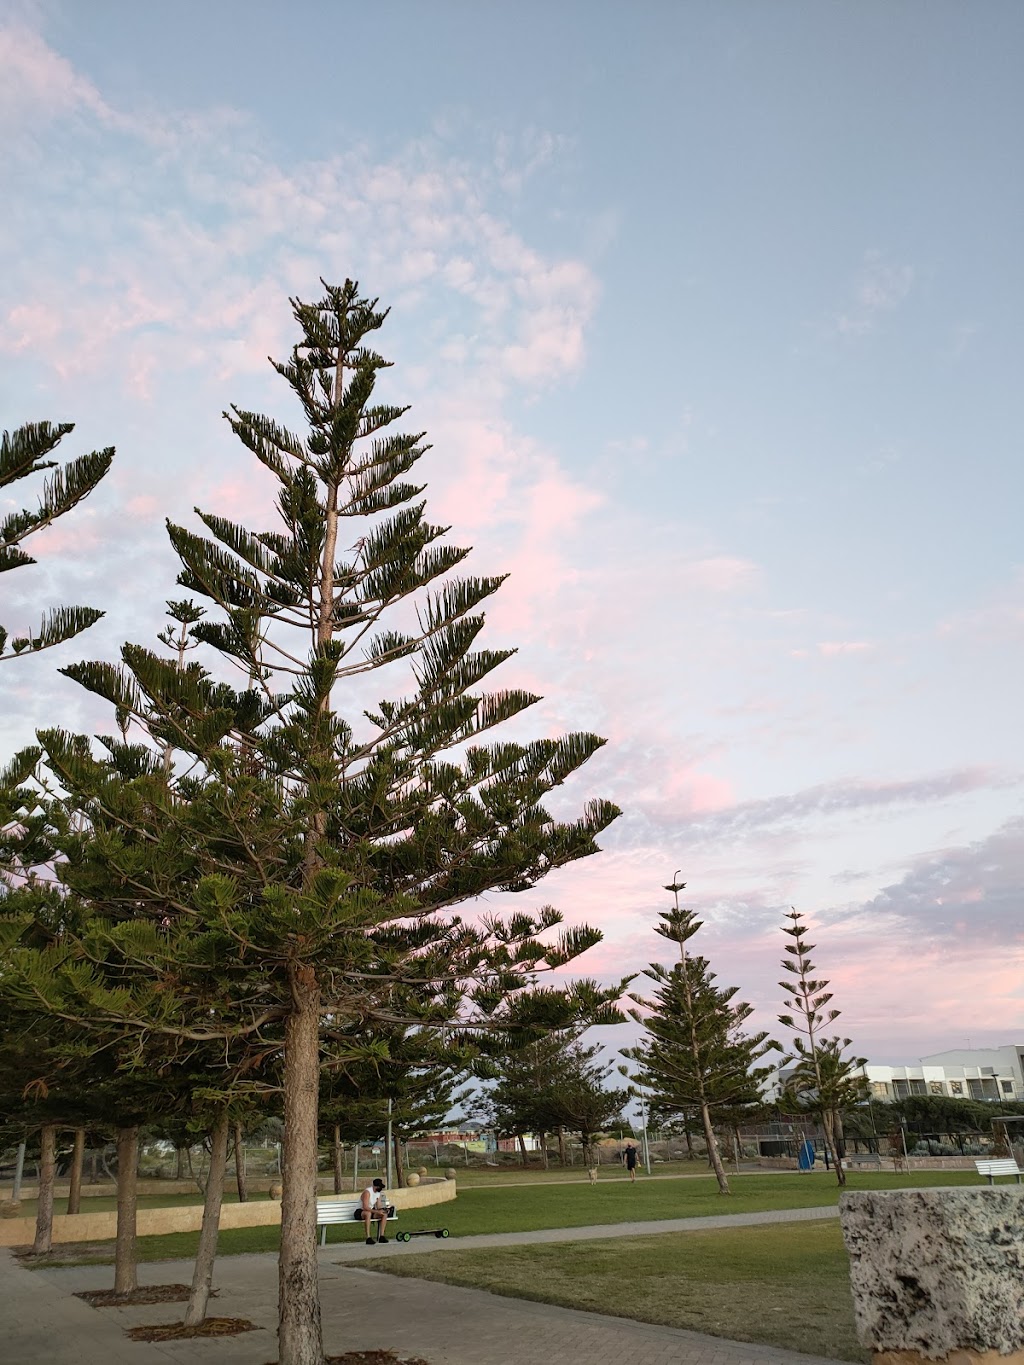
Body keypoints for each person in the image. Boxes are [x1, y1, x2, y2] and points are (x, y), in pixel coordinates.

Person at [361, 1176, 389, 1244]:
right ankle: (368, 1237)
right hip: (360, 1211)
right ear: (376, 1186)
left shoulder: (378, 1194)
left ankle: (381, 1236)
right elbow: (365, 1207)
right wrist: (376, 1211)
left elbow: (378, 1205)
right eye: (380, 1187)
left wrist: (383, 1209)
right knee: (368, 1213)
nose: (381, 1189)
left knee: (384, 1214)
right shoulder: (367, 1192)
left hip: (370, 1210)